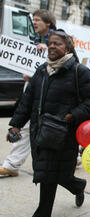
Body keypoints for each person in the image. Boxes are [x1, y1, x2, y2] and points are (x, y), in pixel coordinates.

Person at [8, 30, 90, 217]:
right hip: (40, 131)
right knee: (50, 172)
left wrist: (71, 115)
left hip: (64, 134)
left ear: (67, 47)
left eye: (57, 43)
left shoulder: (79, 72)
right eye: (49, 43)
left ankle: (46, 211)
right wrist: (16, 124)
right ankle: (68, 193)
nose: (51, 46)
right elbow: (27, 100)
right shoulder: (42, 71)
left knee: (53, 174)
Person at [0, 9, 56, 177]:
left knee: (52, 127)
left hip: (49, 91)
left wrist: (49, 50)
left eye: (38, 20)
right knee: (25, 125)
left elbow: (69, 59)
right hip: (33, 86)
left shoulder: (58, 38)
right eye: (33, 20)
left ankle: (73, 158)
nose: (34, 23)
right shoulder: (36, 39)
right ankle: (12, 164)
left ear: (48, 23)